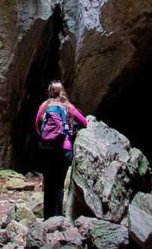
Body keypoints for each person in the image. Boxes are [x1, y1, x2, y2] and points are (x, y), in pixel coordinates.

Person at [34, 80, 88, 219]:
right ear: (63, 91)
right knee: (59, 185)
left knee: (49, 183)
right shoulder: (67, 106)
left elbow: (37, 124)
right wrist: (70, 130)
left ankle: (48, 219)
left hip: (47, 150)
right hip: (64, 150)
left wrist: (47, 139)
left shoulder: (44, 106)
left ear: (50, 92)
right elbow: (84, 122)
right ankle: (57, 218)